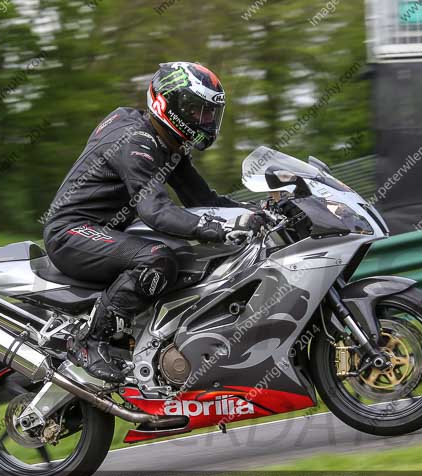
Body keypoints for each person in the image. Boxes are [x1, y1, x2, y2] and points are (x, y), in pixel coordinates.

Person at [42, 61, 262, 383]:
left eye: (210, 113)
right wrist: (212, 229)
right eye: (198, 110)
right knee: (157, 259)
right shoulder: (136, 141)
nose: (206, 120)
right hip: (72, 232)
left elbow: (203, 200)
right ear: (168, 105)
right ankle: (90, 342)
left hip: (102, 230)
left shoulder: (162, 140)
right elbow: (155, 210)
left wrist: (258, 212)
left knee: (183, 255)